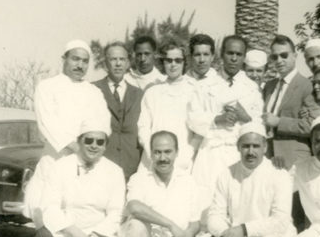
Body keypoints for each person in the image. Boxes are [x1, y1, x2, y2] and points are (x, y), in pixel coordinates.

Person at [198, 123, 296, 237]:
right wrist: (224, 234)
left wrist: (244, 229)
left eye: (256, 146)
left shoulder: (278, 174)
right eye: (246, 146)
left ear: (265, 147)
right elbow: (215, 214)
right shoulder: (227, 174)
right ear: (238, 147)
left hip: (268, 235)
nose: (251, 152)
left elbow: (281, 220)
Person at [28, 119, 125, 237]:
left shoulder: (115, 171)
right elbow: (49, 206)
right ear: (79, 141)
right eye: (89, 140)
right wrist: (72, 231)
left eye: (100, 142)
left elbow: (115, 213)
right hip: (66, 231)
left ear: (105, 146)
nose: (94, 146)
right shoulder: (60, 167)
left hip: (98, 235)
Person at [25, 40, 109, 227]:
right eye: (75, 59)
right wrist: (77, 148)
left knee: (81, 216)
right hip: (56, 157)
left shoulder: (94, 92)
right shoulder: (47, 87)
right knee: (49, 215)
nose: (80, 65)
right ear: (64, 59)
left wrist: (88, 151)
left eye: (85, 61)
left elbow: (102, 125)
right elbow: (48, 125)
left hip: (86, 162)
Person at [121, 131, 201, 237]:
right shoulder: (140, 178)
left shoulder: (188, 181)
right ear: (151, 153)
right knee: (135, 225)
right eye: (157, 152)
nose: (163, 157)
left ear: (177, 152)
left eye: (168, 152)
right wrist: (171, 225)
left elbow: (195, 222)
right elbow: (133, 207)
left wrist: (187, 234)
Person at [188, 35, 263, 218]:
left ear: (244, 57)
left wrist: (245, 117)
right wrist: (217, 119)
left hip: (238, 153)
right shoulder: (204, 86)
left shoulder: (252, 88)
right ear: (221, 54)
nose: (234, 58)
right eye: (230, 53)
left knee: (237, 204)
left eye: (239, 54)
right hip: (211, 152)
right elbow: (192, 118)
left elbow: (260, 126)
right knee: (206, 205)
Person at [137, 41, 199, 172]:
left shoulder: (194, 90)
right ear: (162, 63)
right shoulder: (152, 92)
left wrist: (186, 155)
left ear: (184, 62)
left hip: (183, 159)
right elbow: (143, 127)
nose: (173, 65)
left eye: (178, 60)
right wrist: (152, 154)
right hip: (153, 159)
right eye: (169, 60)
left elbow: (199, 130)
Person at [93, 42, 143, 181]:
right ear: (105, 63)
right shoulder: (92, 90)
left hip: (132, 168)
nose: (118, 64)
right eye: (113, 59)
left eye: (122, 59)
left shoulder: (139, 94)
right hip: (101, 166)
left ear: (128, 63)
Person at [261, 35, 313, 167]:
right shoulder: (269, 86)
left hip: (294, 159)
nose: (279, 60)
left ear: (295, 56)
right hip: (268, 156)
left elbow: (311, 125)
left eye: (284, 55)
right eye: (275, 57)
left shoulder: (306, 85)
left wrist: (279, 122)